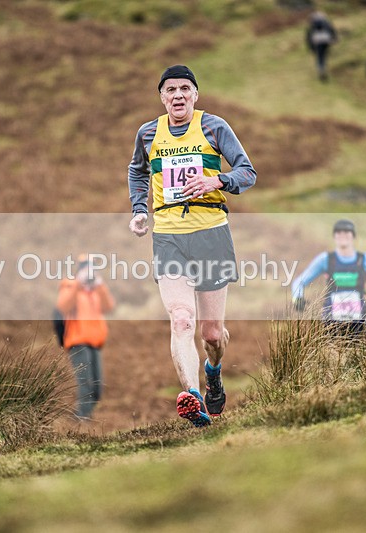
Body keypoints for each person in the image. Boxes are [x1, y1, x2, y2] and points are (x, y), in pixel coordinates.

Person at [128, 65, 256, 427]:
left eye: (185, 88)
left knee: (211, 334)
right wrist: (140, 210)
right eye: (171, 90)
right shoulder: (148, 132)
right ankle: (193, 398)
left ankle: (212, 372)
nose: (178, 95)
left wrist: (213, 180)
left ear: (195, 95)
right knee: (181, 319)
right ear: (162, 97)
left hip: (211, 233)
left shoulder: (214, 127)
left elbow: (248, 172)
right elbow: (137, 171)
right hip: (168, 237)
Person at [291, 219, 366, 336]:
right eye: (339, 233)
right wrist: (297, 298)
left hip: (359, 322)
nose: (342, 236)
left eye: (347, 232)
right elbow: (299, 282)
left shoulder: (365, 260)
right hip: (331, 322)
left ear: (353, 236)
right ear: (334, 236)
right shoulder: (325, 259)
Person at [56, 254, 115, 421]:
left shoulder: (95, 290)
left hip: (95, 342)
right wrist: (77, 284)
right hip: (77, 342)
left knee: (97, 387)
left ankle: (81, 417)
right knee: (85, 383)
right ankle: (82, 420)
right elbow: (63, 306)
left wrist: (101, 285)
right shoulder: (69, 285)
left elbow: (109, 306)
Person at [305, 11, 338, 81]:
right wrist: (334, 38)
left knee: (319, 56)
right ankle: (324, 68)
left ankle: (321, 70)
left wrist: (311, 46)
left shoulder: (312, 24)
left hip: (317, 41)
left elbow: (309, 35)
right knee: (324, 54)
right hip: (326, 39)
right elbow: (331, 30)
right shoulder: (326, 22)